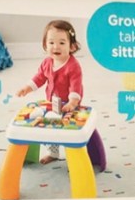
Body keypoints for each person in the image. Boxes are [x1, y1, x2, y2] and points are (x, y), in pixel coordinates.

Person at [16, 19, 84, 164]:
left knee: (67, 130)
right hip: (52, 102)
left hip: (69, 104)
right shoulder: (47, 62)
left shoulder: (73, 66)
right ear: (45, 45)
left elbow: (75, 86)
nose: (56, 47)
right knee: (47, 125)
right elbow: (39, 77)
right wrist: (27, 87)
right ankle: (53, 153)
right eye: (51, 42)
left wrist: (72, 103)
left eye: (62, 43)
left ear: (72, 46)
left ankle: (73, 155)